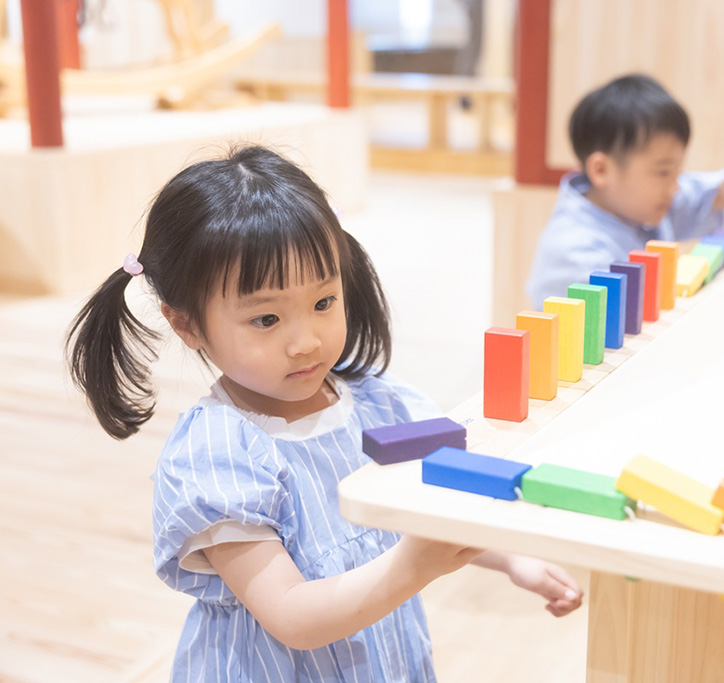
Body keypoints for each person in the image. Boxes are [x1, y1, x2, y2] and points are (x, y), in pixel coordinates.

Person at [66, 145, 582, 681]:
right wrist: (412, 566)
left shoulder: (382, 403)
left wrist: (510, 557)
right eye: (266, 319)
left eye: (323, 302)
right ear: (187, 325)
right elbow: (292, 616)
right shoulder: (218, 456)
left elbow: (437, 504)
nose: (306, 342)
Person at [525, 73, 724, 309]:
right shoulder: (575, 254)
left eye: (677, 171)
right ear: (601, 170)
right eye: (664, 171)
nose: (675, 185)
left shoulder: (639, 203)